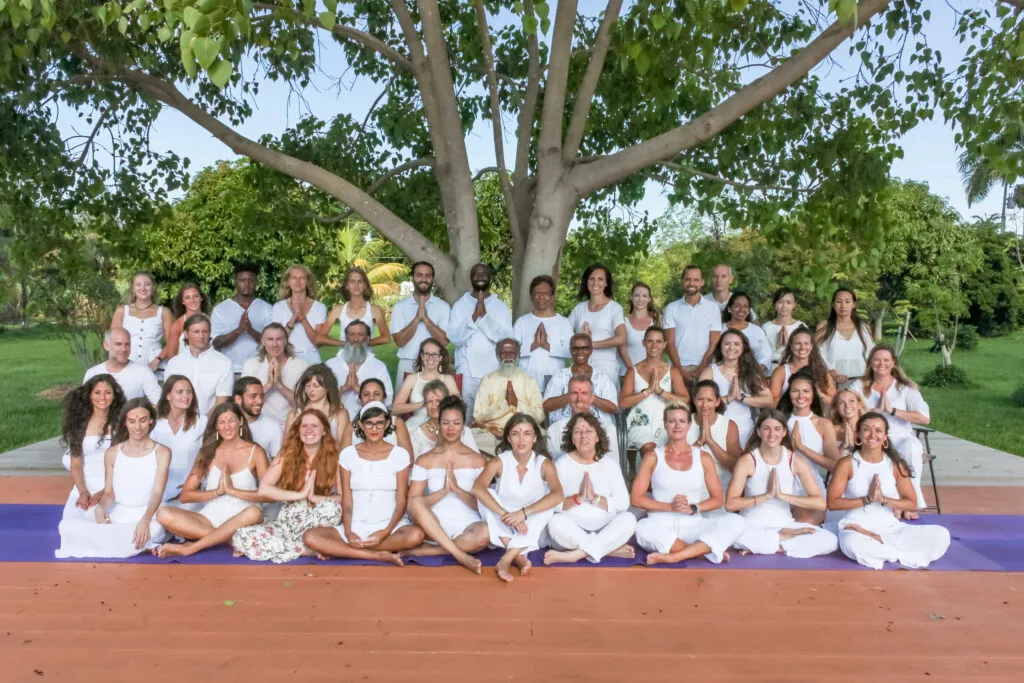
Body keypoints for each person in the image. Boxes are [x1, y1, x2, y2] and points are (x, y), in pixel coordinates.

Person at [303, 402, 423, 565]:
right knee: (310, 537)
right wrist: (348, 532)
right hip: (356, 525)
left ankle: (350, 551)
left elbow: (402, 500)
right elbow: (346, 499)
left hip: (389, 526)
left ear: (387, 423)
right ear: (360, 425)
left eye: (379, 423)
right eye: (369, 423)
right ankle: (376, 555)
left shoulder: (400, 455)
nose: (374, 428)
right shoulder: (348, 454)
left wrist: (385, 532)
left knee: (416, 535)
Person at [827, 412, 950, 569]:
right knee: (851, 544)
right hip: (855, 527)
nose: (873, 435)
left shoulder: (895, 465)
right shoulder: (847, 464)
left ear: (885, 437)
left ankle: (878, 540)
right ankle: (898, 552)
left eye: (878, 430)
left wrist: (884, 500)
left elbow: (911, 503)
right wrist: (867, 499)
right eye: (867, 429)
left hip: (890, 528)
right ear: (858, 435)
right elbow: (833, 503)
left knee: (941, 534)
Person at [56, 398, 171, 558]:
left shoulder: (162, 452)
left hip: (149, 516)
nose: (137, 427)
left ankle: (126, 542)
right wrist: (101, 509)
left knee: (153, 530)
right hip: (119, 515)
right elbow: (109, 494)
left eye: (143, 420)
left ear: (151, 421)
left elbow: (157, 492)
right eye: (132, 421)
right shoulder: (112, 453)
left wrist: (145, 520)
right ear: (125, 422)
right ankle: (135, 544)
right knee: (68, 526)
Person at [631, 404, 744, 565]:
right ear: (665, 424)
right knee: (642, 527)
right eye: (672, 421)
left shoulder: (703, 457)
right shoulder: (652, 457)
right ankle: (700, 552)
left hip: (693, 526)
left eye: (682, 421)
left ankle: (675, 556)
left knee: (736, 521)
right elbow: (636, 499)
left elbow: (718, 500)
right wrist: (670, 507)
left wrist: (693, 508)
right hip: (660, 525)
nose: (677, 426)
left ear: (689, 425)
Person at [153, 403, 270, 557]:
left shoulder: (256, 452)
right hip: (210, 519)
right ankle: (230, 540)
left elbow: (269, 496)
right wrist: (218, 492)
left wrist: (232, 491)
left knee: (255, 512)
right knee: (163, 513)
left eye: (231, 421)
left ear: (240, 422)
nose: (227, 427)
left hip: (244, 519)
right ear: (216, 426)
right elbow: (185, 495)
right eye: (222, 422)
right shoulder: (207, 452)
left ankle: (190, 548)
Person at [231, 409, 344, 563]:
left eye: (315, 426)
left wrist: (313, 497)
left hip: (318, 517)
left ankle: (290, 545)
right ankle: (307, 549)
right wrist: (299, 495)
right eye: (304, 426)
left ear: (324, 431)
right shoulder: (287, 453)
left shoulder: (336, 456)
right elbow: (264, 488)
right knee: (241, 536)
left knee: (333, 509)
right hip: (288, 520)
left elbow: (343, 498)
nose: (309, 430)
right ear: (298, 430)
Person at [726, 411, 838, 558]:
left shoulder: (795, 460)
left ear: (784, 432)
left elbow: (820, 503)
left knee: (830, 540)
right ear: (759, 431)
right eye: (766, 428)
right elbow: (730, 504)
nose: (772, 434)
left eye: (777, 429)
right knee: (733, 531)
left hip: (785, 525)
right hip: (752, 526)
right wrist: (766, 496)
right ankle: (780, 541)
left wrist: (783, 496)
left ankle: (772, 544)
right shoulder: (747, 461)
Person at [472, 414, 564, 582]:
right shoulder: (499, 461)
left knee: (549, 502)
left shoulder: (544, 463)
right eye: (516, 433)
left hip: (530, 525)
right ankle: (519, 556)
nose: (521, 439)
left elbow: (558, 494)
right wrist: (506, 515)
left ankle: (506, 558)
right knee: (486, 494)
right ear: (509, 438)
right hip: (503, 523)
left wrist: (523, 513)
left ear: (534, 438)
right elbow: (477, 488)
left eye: (527, 433)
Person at [403, 396, 490, 573]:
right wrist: (443, 491)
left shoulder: (477, 460)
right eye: (446, 423)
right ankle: (460, 555)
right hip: (432, 523)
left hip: (468, 526)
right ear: (439, 424)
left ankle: (433, 550)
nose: (451, 428)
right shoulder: (425, 460)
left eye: (456, 423)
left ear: (463, 425)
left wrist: (457, 490)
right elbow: (413, 505)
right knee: (415, 502)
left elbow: (483, 506)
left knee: (487, 533)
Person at [543, 413, 637, 565]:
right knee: (554, 522)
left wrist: (595, 499)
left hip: (605, 525)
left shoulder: (610, 464)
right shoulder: (562, 464)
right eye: (578, 432)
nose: (583, 436)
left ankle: (576, 554)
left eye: (588, 431)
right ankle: (608, 549)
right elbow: (552, 504)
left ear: (597, 437)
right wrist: (578, 498)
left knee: (629, 519)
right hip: (573, 526)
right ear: (572, 438)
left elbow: (623, 503)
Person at [858, 345, 931, 513]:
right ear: (870, 362)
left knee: (912, 447)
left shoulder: (905, 388)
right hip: (870, 438)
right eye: (877, 360)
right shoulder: (859, 386)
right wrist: (875, 411)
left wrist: (893, 411)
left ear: (893, 362)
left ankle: (911, 502)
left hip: (900, 437)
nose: (881, 364)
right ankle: (876, 501)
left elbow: (924, 417)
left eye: (886, 360)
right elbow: (847, 411)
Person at [57, 376, 125, 527]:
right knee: (72, 526)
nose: (102, 397)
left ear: (115, 395)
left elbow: (125, 464)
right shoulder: (79, 423)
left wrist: (105, 492)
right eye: (97, 392)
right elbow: (75, 463)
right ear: (90, 395)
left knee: (106, 524)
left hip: (115, 485)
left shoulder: (123, 423)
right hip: (86, 485)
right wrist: (83, 492)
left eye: (107, 392)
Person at [447, 263, 513, 418]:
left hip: (494, 368)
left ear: (490, 278)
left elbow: (506, 340)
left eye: (484, 273)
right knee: (466, 414)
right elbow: (455, 338)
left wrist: (484, 318)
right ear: (470, 277)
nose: (480, 276)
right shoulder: (460, 305)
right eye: (476, 273)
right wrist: (474, 317)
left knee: (493, 414)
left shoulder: (500, 306)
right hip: (467, 370)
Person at [778, 370, 841, 525]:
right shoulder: (778, 421)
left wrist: (802, 448)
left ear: (813, 394)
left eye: (806, 391)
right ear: (789, 394)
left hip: (810, 487)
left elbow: (834, 465)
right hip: (781, 483)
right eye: (795, 391)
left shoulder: (823, 424)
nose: (801, 396)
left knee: (803, 522)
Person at [698, 329, 773, 446]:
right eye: (727, 344)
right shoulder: (710, 371)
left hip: (745, 429)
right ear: (720, 346)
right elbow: (700, 402)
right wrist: (728, 398)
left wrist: (741, 398)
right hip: (716, 427)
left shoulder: (750, 372)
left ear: (743, 348)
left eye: (736, 344)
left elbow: (768, 400)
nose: (731, 348)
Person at [471, 338, 545, 456]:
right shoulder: (487, 380)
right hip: (495, 432)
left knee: (546, 437)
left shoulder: (529, 380)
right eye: (504, 353)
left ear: (518, 355)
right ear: (497, 356)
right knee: (471, 438)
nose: (508, 357)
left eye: (512, 353)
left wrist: (518, 404)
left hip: (524, 430)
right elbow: (478, 415)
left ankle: (505, 452)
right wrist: (502, 405)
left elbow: (540, 415)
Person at [621, 326, 689, 452]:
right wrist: (647, 391)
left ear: (664, 345)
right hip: (639, 424)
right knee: (649, 449)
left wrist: (660, 392)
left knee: (669, 451)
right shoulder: (633, 371)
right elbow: (623, 403)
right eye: (650, 341)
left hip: (665, 424)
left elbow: (685, 400)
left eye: (658, 341)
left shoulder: (672, 371)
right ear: (643, 343)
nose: (654, 345)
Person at [389, 261, 451, 386]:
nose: (424, 279)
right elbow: (399, 341)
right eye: (419, 275)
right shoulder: (400, 307)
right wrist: (417, 319)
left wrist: (426, 319)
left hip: (434, 363)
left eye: (428, 275)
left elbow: (444, 341)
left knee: (434, 398)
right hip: (407, 363)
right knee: (404, 398)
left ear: (432, 278)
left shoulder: (443, 307)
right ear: (413, 278)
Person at [164, 313, 234, 416]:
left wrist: (203, 423)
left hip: (210, 422)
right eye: (196, 331)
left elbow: (221, 402)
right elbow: (169, 398)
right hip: (178, 421)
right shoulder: (174, 363)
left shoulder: (224, 363)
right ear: (186, 334)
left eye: (205, 331)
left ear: (210, 333)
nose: (201, 336)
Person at [151, 375, 207, 502]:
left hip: (189, 490)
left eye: (189, 392)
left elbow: (207, 457)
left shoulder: (202, 422)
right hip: (158, 489)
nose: (186, 396)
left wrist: (194, 484)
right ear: (168, 395)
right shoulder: (155, 424)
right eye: (179, 392)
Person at [513, 275, 574, 392]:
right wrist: (533, 345)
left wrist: (547, 345)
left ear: (552, 297)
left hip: (554, 380)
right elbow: (511, 352)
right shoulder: (522, 322)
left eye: (546, 293)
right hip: (526, 380)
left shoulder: (563, 322)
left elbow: (570, 352)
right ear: (531, 296)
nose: (541, 297)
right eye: (537, 293)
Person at [241, 322, 309, 424]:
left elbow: (303, 404)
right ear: (262, 341)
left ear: (286, 341)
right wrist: (268, 384)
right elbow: (245, 403)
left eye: (279, 339)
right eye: (270, 339)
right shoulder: (251, 364)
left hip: (292, 423)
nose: (274, 344)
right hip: (260, 423)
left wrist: (280, 385)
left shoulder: (301, 365)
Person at [542, 333, 619, 423]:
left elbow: (613, 408)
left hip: (598, 426)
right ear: (571, 351)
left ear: (590, 350)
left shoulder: (602, 377)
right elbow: (546, 406)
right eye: (575, 348)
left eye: (584, 348)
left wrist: (592, 398)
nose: (580, 352)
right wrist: (569, 396)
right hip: (565, 426)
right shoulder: (560, 376)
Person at [567, 264, 627, 379]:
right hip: (580, 367)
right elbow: (564, 334)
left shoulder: (615, 308)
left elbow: (621, 338)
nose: (595, 283)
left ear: (606, 283)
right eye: (592, 278)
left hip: (606, 367)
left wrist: (589, 344)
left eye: (600, 279)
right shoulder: (579, 308)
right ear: (586, 281)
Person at [211, 263, 274, 372]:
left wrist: (251, 330)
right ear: (235, 281)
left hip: (260, 369)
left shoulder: (267, 308)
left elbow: (273, 342)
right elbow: (216, 344)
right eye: (242, 280)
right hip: (230, 370)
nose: (247, 284)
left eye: (251, 280)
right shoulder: (220, 309)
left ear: (256, 282)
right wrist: (239, 330)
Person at [325, 320, 394, 419]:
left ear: (367, 338)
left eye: (361, 335)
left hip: (367, 419)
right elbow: (321, 399)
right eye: (351, 334)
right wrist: (343, 389)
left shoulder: (379, 366)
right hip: (335, 418)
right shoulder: (330, 365)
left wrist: (358, 388)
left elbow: (387, 401)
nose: (356, 339)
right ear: (346, 338)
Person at [664, 266, 722, 382]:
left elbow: (714, 344)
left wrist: (700, 370)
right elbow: (670, 343)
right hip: (677, 367)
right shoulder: (671, 308)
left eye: (696, 280)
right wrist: (680, 370)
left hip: (706, 367)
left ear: (702, 282)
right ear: (682, 281)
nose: (691, 283)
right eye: (687, 279)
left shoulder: (713, 308)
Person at [317, 266, 392, 354]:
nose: (356, 285)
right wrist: (345, 344)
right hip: (343, 359)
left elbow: (386, 338)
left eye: (360, 281)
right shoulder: (338, 310)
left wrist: (365, 343)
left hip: (366, 359)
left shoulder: (374, 310)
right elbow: (319, 338)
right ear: (347, 286)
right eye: (352, 281)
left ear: (365, 285)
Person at [687, 380, 742, 494]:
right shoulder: (684, 422)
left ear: (717, 402)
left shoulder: (729, 425)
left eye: (709, 400)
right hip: (689, 489)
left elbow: (735, 467)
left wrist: (710, 441)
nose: (704, 405)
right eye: (700, 399)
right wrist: (699, 442)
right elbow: (675, 463)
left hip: (721, 491)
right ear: (694, 400)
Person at [546, 376, 619, 461]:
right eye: (574, 393)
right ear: (568, 397)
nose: (579, 399)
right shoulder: (555, 429)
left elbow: (613, 464)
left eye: (584, 393)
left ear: (591, 398)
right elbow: (553, 466)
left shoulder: (608, 429)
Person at [391, 338, 460, 429]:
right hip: (415, 426)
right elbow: (395, 409)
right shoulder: (412, 379)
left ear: (440, 357)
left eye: (434, 354)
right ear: (422, 356)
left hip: (442, 425)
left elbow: (459, 406)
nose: (430, 358)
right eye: (427, 354)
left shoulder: (448, 379)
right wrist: (423, 404)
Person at [111, 271, 172, 370]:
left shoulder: (164, 312)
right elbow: (113, 342)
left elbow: (172, 343)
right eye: (138, 285)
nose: (143, 288)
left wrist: (157, 361)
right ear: (133, 289)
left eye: (147, 284)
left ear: (153, 288)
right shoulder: (121, 311)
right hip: (127, 366)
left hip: (156, 367)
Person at [83, 328, 161, 404]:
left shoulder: (143, 372)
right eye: (118, 344)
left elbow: (159, 403)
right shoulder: (92, 373)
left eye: (127, 344)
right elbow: (83, 404)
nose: (124, 349)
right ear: (106, 346)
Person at [340, 378, 415, 456]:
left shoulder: (397, 423)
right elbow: (342, 458)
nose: (371, 398)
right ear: (360, 398)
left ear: (384, 398)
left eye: (376, 394)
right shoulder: (352, 426)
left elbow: (409, 458)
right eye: (366, 394)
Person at [271, 264, 329, 365]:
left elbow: (318, 343)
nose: (297, 281)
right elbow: (276, 341)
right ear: (288, 281)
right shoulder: (279, 307)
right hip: (287, 359)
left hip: (312, 360)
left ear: (308, 281)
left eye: (302, 277)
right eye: (293, 277)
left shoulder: (320, 307)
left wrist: (302, 318)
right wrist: (292, 320)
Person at [816, 287, 874, 384]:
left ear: (854, 304)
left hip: (860, 380)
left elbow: (872, 353)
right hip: (832, 382)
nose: (843, 306)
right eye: (839, 302)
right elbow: (818, 353)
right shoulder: (824, 326)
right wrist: (832, 373)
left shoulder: (863, 327)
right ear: (833, 304)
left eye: (847, 301)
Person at [409, 381, 480, 457]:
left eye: (438, 401)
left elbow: (476, 458)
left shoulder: (464, 431)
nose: (434, 406)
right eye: (430, 402)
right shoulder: (416, 435)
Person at [769, 327, 836, 406]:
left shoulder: (822, 372)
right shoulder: (781, 372)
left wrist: (819, 394)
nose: (802, 347)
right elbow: (772, 401)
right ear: (791, 346)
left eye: (806, 343)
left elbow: (835, 401)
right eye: (798, 343)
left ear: (811, 346)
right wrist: (797, 402)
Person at [284, 364, 349, 440]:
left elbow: (344, 446)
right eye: (308, 386)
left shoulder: (340, 415)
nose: (311, 390)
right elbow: (286, 445)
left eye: (316, 386)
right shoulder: (294, 415)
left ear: (327, 387)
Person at [233, 377, 283, 460]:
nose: (260, 401)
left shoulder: (273, 427)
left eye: (262, 396)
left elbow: (277, 463)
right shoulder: (226, 425)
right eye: (253, 396)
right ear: (238, 399)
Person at [722, 292, 772, 373]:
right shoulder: (720, 329)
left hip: (751, 374)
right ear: (729, 309)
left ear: (749, 310)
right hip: (723, 373)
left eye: (745, 306)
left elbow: (766, 355)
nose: (741, 309)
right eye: (737, 306)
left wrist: (756, 373)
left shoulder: (757, 330)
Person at [622, 281, 661, 375]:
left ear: (649, 299)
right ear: (631, 297)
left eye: (644, 296)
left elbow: (661, 349)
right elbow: (622, 351)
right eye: (637, 295)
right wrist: (634, 372)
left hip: (651, 374)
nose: (640, 299)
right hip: (628, 374)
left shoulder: (657, 321)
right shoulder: (623, 322)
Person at [761, 288, 805, 368]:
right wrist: (777, 345)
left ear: (794, 305)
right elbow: (761, 355)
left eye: (788, 302)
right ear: (774, 304)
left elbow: (806, 353)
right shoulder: (766, 327)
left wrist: (789, 344)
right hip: (771, 369)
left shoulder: (801, 326)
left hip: (795, 369)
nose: (784, 306)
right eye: (780, 302)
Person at [164, 282, 210, 358]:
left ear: (201, 298)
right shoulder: (177, 324)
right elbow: (171, 354)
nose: (192, 300)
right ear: (183, 301)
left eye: (195, 296)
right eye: (187, 298)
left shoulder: (212, 320)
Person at [831, 388, 868, 458]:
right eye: (841, 402)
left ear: (859, 405)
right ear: (836, 408)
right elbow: (829, 461)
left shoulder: (870, 429)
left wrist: (853, 447)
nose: (847, 405)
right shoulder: (831, 430)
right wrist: (843, 446)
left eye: (851, 401)